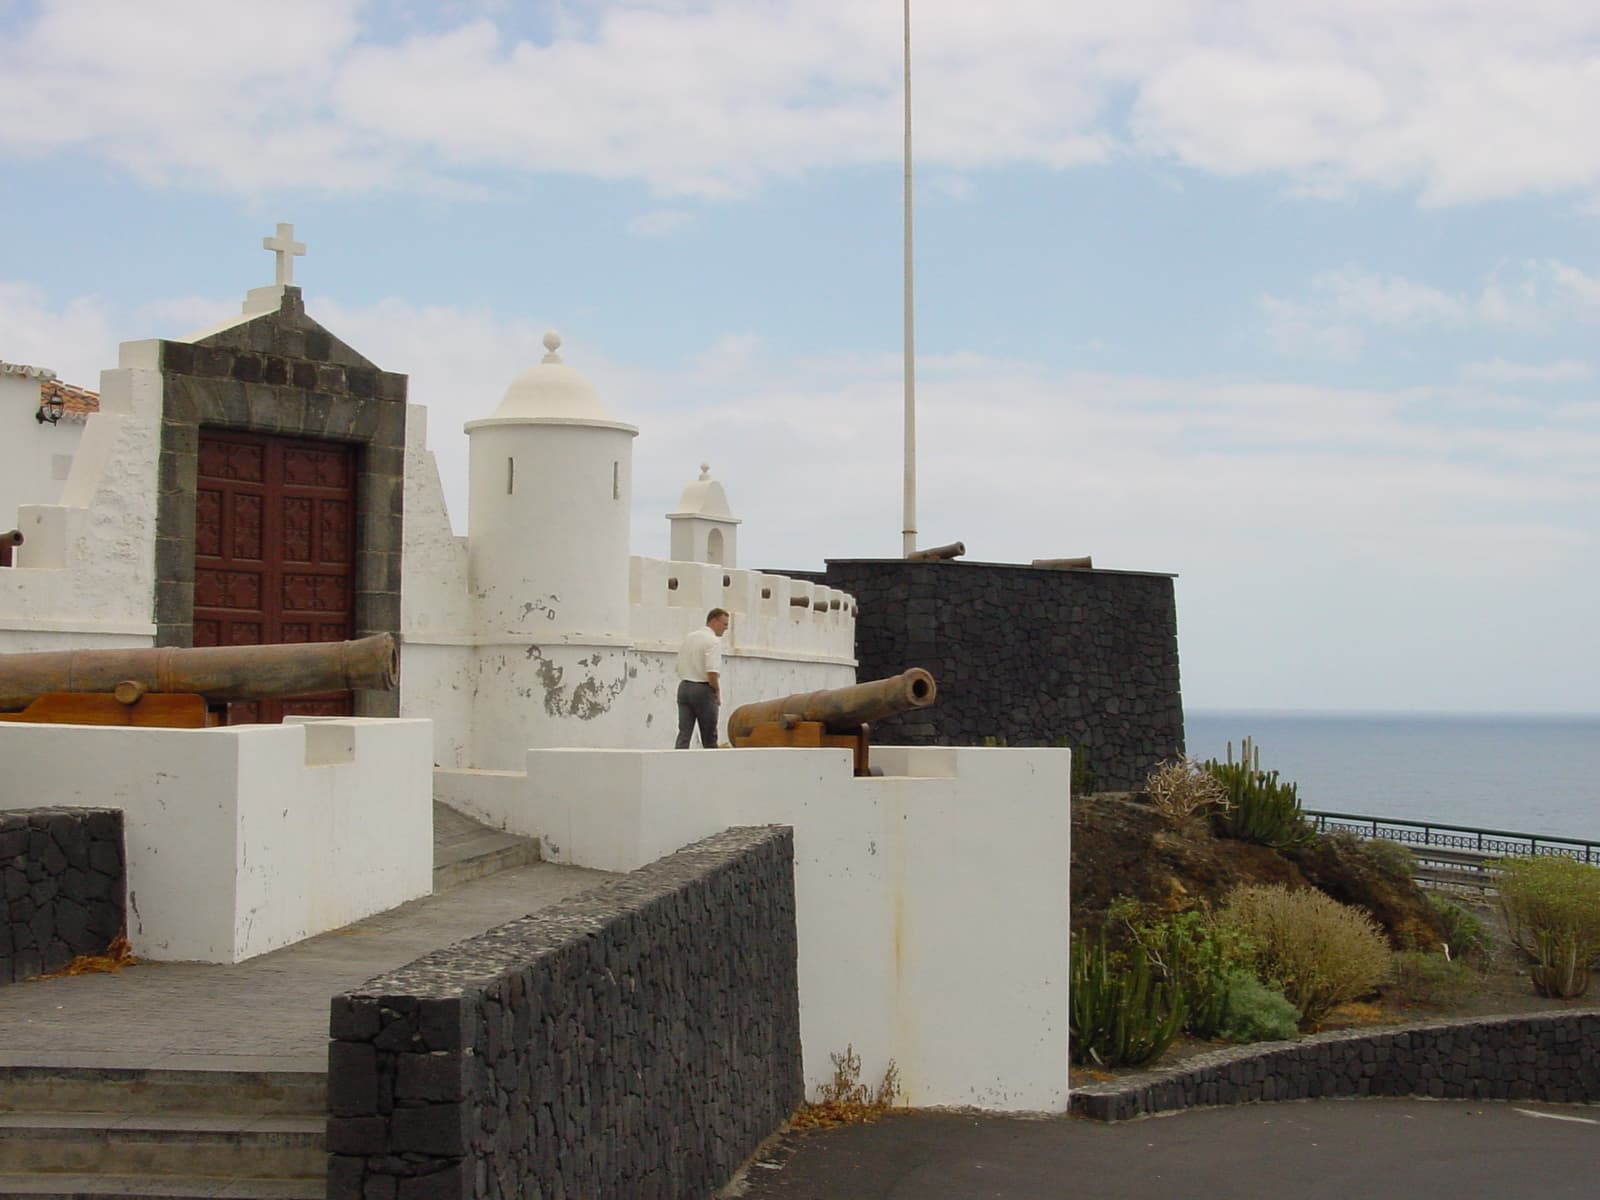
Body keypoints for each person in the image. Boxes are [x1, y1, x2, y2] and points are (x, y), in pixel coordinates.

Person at [675, 608, 729, 748]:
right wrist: (716, 691)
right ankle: (712, 767)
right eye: (724, 624)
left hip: (684, 687)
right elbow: (712, 672)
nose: (726, 628)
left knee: (684, 734)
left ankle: (675, 764)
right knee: (709, 735)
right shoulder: (713, 641)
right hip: (702, 689)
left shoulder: (690, 637)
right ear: (714, 621)